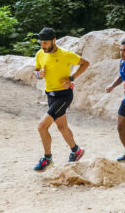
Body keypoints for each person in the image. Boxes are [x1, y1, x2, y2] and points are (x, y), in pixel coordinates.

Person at [32, 27, 90, 171]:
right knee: (62, 126)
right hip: (50, 95)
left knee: (42, 126)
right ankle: (76, 150)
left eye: (45, 43)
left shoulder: (65, 54)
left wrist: (71, 78)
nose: (43, 46)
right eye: (41, 43)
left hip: (64, 95)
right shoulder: (40, 54)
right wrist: (39, 74)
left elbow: (85, 63)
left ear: (54, 41)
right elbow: (36, 72)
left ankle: (47, 159)